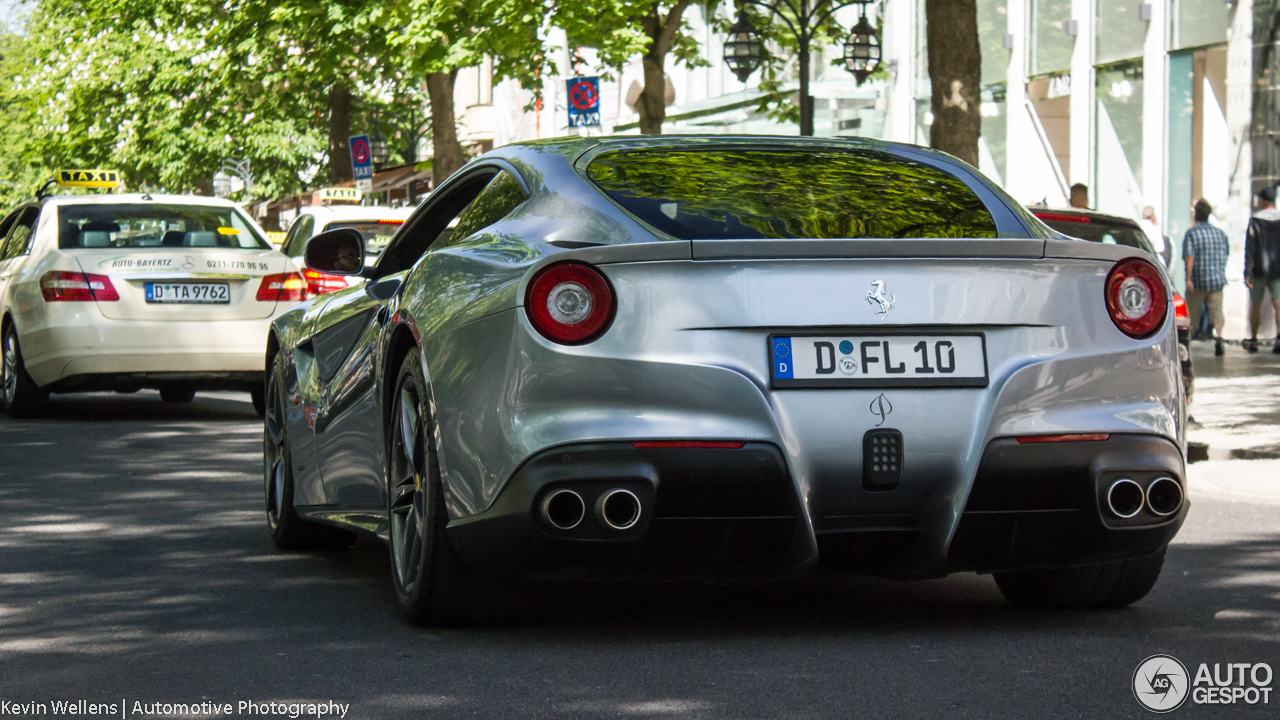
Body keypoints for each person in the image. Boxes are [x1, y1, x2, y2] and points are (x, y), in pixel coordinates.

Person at [1183, 199, 1230, 356]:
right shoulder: (1220, 233)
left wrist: (1188, 278)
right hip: (1216, 281)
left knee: (1192, 314)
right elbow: (1225, 254)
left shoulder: (1192, 233)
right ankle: (1218, 339)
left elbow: (1189, 257)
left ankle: (1186, 344)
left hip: (1197, 281)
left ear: (1196, 214)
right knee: (1217, 312)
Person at [1244, 187, 1280, 353]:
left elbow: (1250, 247)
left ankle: (1253, 339)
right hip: (1277, 269)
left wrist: (1247, 271)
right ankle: (1279, 338)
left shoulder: (1255, 220)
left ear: (1264, 201)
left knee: (1255, 304)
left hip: (1258, 269)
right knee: (1278, 304)